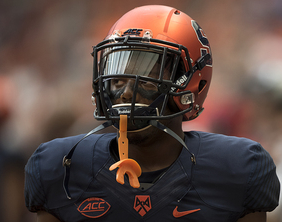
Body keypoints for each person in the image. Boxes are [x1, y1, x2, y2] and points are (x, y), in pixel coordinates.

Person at [24, 5, 280, 222]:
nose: (124, 93)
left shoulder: (237, 169)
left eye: (146, 81)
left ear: (191, 84)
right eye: (117, 80)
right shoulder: (60, 168)